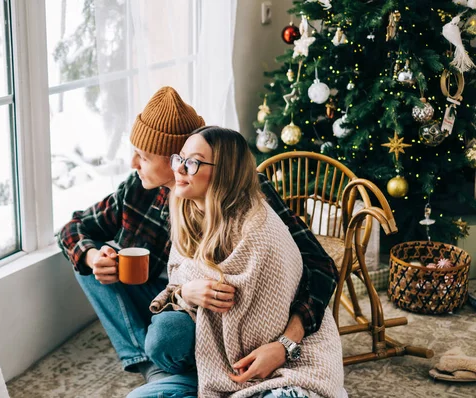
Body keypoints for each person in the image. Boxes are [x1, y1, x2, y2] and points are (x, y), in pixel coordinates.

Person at [58, 87, 338, 391]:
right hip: (171, 299)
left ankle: (194, 371)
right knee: (91, 262)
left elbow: (320, 266)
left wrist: (286, 343)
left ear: (176, 159)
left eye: (143, 156)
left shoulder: (249, 195)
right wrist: (91, 257)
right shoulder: (137, 190)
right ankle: (155, 366)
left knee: (169, 332)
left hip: (223, 315)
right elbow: (73, 229)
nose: (132, 164)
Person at [130, 127, 345, 398]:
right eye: (179, 158)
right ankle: (198, 377)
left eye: (193, 162)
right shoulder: (185, 208)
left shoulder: (258, 224)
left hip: (280, 356)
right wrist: (186, 291)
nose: (180, 169)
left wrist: (285, 344)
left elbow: (318, 269)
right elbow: (179, 272)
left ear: (224, 172)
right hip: (216, 358)